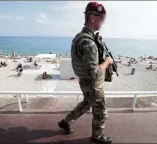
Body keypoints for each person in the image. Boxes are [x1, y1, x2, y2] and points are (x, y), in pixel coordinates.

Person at [58, 2, 113, 143]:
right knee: (101, 111)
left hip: (84, 81)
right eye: (101, 18)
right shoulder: (88, 42)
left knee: (86, 104)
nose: (103, 22)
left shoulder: (79, 36)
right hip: (92, 83)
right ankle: (97, 135)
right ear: (93, 18)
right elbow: (94, 73)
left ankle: (66, 121)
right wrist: (107, 62)